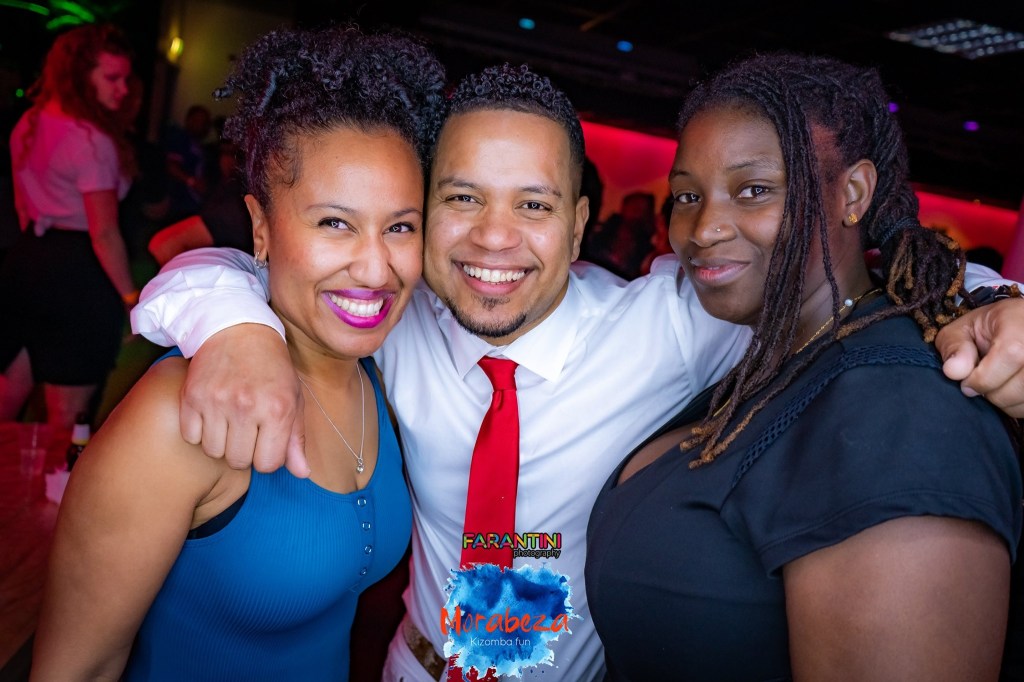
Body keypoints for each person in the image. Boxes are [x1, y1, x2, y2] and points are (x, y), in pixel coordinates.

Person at [130, 63, 1024, 681]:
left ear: (581, 222)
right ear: (423, 215)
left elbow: (844, 288)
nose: (494, 239)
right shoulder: (396, 316)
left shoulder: (671, 326)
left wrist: (997, 301)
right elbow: (216, 266)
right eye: (462, 199)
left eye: (533, 204)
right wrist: (236, 326)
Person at [586, 52, 1023, 681]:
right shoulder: (781, 356)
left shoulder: (896, 410)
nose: (704, 228)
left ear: (853, 194)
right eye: (687, 195)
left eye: (754, 190)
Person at [30, 23, 447, 681]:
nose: (376, 268)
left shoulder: (380, 378)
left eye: (400, 226)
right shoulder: (177, 415)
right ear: (260, 227)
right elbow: (74, 671)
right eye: (334, 222)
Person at [0, 23, 139, 429]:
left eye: (125, 78)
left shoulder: (30, 122)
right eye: (111, 78)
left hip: (27, 258)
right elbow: (104, 233)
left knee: (9, 393)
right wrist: (130, 297)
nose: (123, 89)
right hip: (77, 273)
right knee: (67, 416)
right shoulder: (91, 141)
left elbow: (23, 207)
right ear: (79, 75)